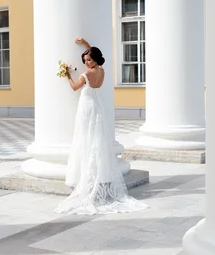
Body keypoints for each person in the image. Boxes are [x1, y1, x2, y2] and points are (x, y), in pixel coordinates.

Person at [54, 37, 149, 215]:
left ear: (94, 59)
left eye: (88, 60)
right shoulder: (101, 70)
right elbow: (94, 54)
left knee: (86, 136)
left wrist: (67, 73)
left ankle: (88, 174)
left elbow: (75, 87)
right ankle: (96, 170)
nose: (86, 62)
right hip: (97, 106)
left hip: (87, 107)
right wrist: (86, 44)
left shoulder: (86, 75)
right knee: (95, 136)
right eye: (85, 60)